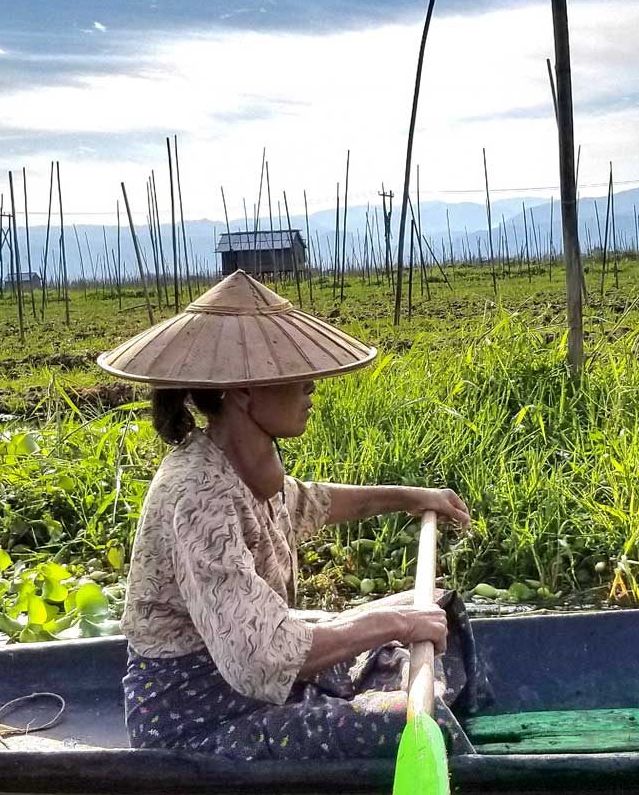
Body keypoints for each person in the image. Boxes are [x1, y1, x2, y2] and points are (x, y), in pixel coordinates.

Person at [97, 270, 476, 759]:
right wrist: (391, 622)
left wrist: (412, 496)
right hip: (201, 718)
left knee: (436, 610)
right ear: (243, 392)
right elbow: (260, 657)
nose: (310, 387)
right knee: (413, 724)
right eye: (292, 375)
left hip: (253, 683)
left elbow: (310, 502)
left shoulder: (243, 462)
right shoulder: (196, 496)